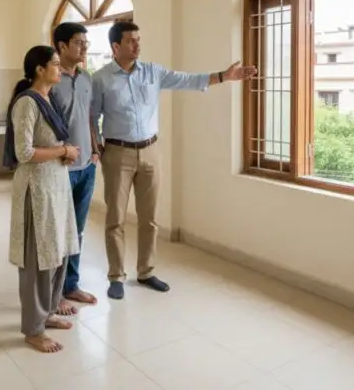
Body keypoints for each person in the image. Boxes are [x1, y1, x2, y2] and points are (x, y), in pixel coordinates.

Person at [91, 21, 257, 300]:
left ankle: (146, 272)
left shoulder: (152, 72)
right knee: (115, 219)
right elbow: (92, 116)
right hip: (117, 153)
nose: (137, 44)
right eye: (131, 40)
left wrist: (224, 76)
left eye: (139, 39)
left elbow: (187, 80)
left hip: (151, 151)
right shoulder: (100, 79)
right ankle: (116, 276)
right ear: (116, 46)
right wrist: (97, 147)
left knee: (149, 218)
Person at [2, 45, 81, 353]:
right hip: (36, 190)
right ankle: (34, 330)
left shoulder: (49, 99)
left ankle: (48, 312)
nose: (60, 68)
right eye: (55, 64)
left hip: (56, 186)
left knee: (58, 252)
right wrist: (63, 151)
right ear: (39, 69)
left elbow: (53, 141)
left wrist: (65, 152)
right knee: (37, 261)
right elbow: (24, 152)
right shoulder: (27, 103)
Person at [50, 22, 100, 314]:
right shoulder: (51, 78)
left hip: (87, 167)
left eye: (85, 43)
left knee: (77, 230)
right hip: (61, 168)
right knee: (59, 232)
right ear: (62, 46)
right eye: (79, 42)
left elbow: (89, 116)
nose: (84, 48)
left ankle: (70, 285)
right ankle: (54, 293)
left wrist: (95, 146)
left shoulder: (86, 78)